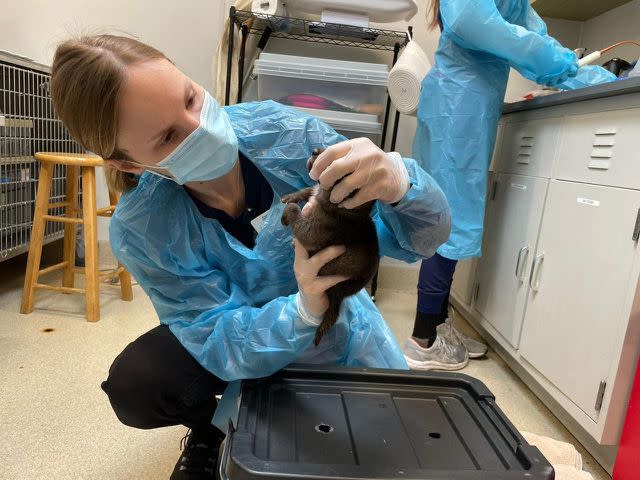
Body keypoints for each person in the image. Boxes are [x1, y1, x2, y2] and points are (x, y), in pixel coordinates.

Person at [50, 35, 451, 479]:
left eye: (190, 97)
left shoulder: (285, 135)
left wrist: (399, 182)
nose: (199, 126)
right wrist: (302, 309)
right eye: (167, 137)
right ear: (129, 164)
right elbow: (218, 334)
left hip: (340, 329)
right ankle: (209, 430)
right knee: (140, 382)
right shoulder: (143, 227)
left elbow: (420, 240)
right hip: (246, 336)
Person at [405, 0, 616, 371]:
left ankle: (437, 326)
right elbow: (478, 23)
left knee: (446, 215)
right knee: (448, 220)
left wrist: (588, 73)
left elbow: (530, 38)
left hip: (462, 105)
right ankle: (423, 340)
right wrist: (555, 59)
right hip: (460, 107)